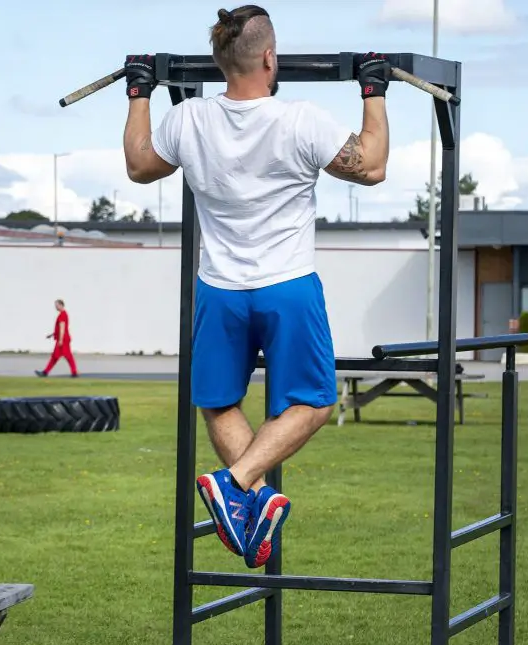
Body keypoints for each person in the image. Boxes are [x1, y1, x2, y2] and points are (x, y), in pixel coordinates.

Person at [119, 5, 391, 569]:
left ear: (221, 61)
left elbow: (141, 165)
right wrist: (373, 89)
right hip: (285, 285)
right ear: (270, 58)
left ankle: (248, 506)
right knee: (316, 403)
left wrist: (139, 94)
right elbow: (373, 165)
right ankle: (238, 481)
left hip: (219, 290)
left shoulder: (189, 119)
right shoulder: (301, 119)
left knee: (217, 402)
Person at [35, 299, 78, 378]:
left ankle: (45, 372)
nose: (56, 307)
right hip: (64, 338)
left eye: (57, 305)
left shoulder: (62, 315)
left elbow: (62, 327)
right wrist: (52, 334)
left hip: (63, 339)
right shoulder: (64, 314)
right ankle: (74, 372)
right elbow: (60, 328)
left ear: (61, 305)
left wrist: (60, 340)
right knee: (61, 356)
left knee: (64, 356)